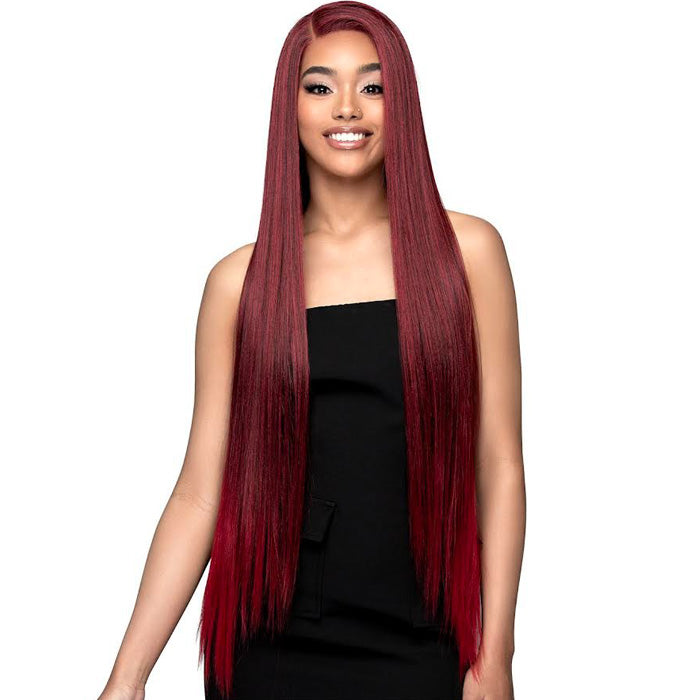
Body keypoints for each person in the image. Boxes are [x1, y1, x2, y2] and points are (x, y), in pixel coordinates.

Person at [98, 2, 525, 699]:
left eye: (373, 85)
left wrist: (495, 654)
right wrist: (127, 678)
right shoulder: (240, 283)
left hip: (424, 642)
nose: (347, 107)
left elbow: (499, 462)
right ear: (289, 108)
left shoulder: (467, 253)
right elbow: (201, 492)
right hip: (272, 648)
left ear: (402, 104)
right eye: (320, 86)